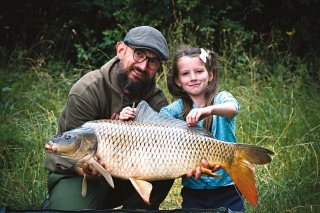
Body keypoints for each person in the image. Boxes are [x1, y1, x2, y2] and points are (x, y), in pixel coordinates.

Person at [43, 26, 175, 210]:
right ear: (121, 50)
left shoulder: (157, 101)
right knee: (70, 207)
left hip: (131, 173)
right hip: (78, 175)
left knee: (171, 160)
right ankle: (63, 201)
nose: (143, 66)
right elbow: (72, 153)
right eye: (138, 54)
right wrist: (87, 170)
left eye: (153, 61)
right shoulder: (86, 91)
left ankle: (134, 209)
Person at [120, 45, 244, 211]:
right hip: (194, 191)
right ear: (178, 80)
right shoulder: (176, 109)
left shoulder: (222, 98)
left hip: (228, 188)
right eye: (185, 73)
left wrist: (208, 110)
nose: (193, 77)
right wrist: (130, 116)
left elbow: (232, 109)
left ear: (211, 74)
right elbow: (154, 125)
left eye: (199, 71)